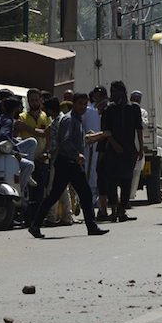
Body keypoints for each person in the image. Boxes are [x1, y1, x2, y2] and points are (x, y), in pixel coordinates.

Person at [28, 92, 110, 238]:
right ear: (74, 103)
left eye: (85, 104)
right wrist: (76, 154)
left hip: (70, 163)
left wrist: (87, 139)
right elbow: (65, 141)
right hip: (67, 162)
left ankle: (36, 225)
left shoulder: (77, 120)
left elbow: (76, 140)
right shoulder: (69, 120)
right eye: (80, 103)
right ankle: (91, 226)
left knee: (62, 194)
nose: (83, 107)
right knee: (80, 193)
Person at [101, 81, 143, 221]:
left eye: (115, 92)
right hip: (113, 150)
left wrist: (141, 148)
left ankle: (122, 211)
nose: (112, 95)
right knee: (111, 181)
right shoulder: (109, 110)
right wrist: (114, 144)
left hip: (129, 150)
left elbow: (139, 129)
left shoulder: (134, 109)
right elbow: (106, 131)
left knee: (127, 181)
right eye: (111, 92)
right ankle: (113, 210)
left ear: (123, 92)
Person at [17, 89, 52, 222]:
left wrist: (47, 153)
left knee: (40, 191)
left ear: (41, 100)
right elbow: (18, 134)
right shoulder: (22, 117)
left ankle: (38, 218)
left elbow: (47, 135)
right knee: (27, 191)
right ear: (28, 101)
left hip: (42, 159)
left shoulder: (45, 117)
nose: (34, 102)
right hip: (28, 159)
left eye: (37, 99)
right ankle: (27, 217)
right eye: (32, 100)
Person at [0, 97, 37, 191]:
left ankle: (27, 175)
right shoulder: (8, 120)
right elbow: (3, 136)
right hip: (2, 153)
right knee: (29, 165)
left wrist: (16, 142)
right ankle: (20, 191)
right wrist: (16, 151)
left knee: (31, 142)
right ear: (15, 109)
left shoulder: (0, 118)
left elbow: (0, 135)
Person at [42, 97, 73, 227]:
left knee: (52, 189)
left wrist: (51, 154)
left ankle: (51, 217)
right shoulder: (60, 119)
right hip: (63, 158)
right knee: (63, 189)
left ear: (50, 109)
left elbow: (61, 141)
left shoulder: (58, 121)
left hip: (58, 158)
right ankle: (67, 216)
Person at [129, 90, 149, 202]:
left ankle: (131, 196)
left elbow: (143, 125)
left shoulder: (143, 112)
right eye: (134, 97)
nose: (136, 99)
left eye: (138, 98)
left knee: (136, 172)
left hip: (137, 144)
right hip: (128, 145)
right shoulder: (126, 110)